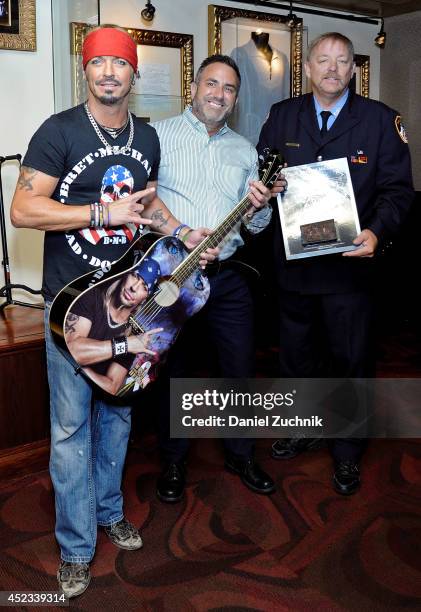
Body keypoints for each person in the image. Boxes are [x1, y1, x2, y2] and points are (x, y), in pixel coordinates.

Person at [10, 26, 216, 599]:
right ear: (85, 71)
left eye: (119, 64)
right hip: (72, 301)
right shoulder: (58, 132)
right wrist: (99, 214)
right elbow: (23, 210)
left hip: (130, 298)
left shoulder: (145, 138)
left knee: (119, 412)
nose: (108, 73)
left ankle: (108, 512)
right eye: (98, 63)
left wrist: (183, 233)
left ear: (133, 74)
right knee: (71, 427)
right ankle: (77, 548)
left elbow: (147, 206)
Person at [257, 32, 414, 495]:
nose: (331, 68)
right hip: (295, 267)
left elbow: (398, 192)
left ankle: (347, 451)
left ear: (353, 70)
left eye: (341, 61)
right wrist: (269, 185)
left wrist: (378, 231)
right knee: (296, 358)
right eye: (322, 60)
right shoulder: (283, 116)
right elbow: (263, 172)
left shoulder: (381, 121)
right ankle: (304, 425)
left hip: (350, 268)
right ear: (307, 67)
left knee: (350, 362)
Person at [151, 54, 285, 504]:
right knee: (178, 373)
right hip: (176, 277)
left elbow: (258, 226)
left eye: (229, 89)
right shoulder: (158, 138)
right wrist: (180, 236)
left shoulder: (245, 150)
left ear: (235, 97)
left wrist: (262, 204)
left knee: (239, 369)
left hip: (228, 279)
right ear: (193, 86)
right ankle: (173, 460)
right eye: (212, 84)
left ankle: (240, 453)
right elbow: (143, 206)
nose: (219, 95)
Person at [65, 257, 163, 396]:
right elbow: (72, 349)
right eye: (135, 276)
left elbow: (112, 386)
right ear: (126, 274)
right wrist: (126, 345)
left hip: (99, 397)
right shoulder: (92, 297)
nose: (134, 287)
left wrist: (80, 368)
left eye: (144, 286)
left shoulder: (134, 333)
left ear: (145, 297)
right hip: (71, 385)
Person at [230, 31, 289, 144]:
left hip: (277, 127)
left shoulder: (281, 57)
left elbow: (286, 94)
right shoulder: (240, 54)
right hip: (247, 129)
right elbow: (235, 93)